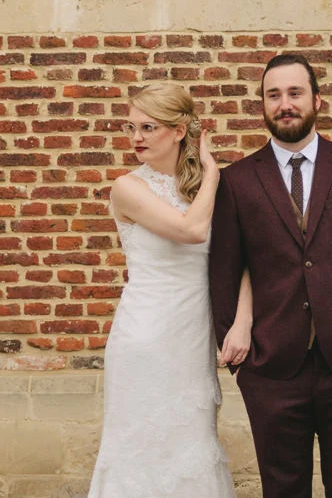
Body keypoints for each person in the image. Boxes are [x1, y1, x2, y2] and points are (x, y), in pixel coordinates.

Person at [208, 53, 332, 498]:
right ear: (262, 105)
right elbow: (223, 271)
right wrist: (244, 364)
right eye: (273, 95)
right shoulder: (237, 181)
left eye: (295, 93)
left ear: (317, 100)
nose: (285, 104)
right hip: (272, 370)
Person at [87, 82, 243, 498]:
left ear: (178, 131)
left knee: (190, 445)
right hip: (145, 336)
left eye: (148, 127)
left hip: (192, 337)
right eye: (131, 127)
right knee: (140, 448)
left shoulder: (200, 188)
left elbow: (241, 256)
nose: (136, 137)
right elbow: (191, 230)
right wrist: (213, 174)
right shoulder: (127, 188)